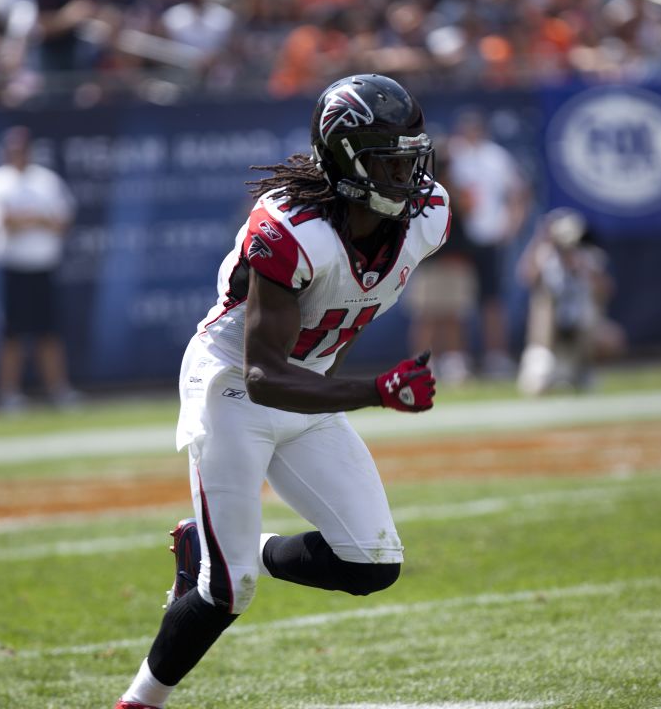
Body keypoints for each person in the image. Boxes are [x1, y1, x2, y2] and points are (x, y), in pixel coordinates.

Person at [114, 74, 448, 709]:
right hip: (235, 386)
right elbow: (264, 373)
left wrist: (347, 384)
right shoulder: (292, 230)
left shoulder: (428, 218)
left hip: (308, 386)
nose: (408, 177)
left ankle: (219, 544)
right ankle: (137, 703)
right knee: (227, 589)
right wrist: (376, 392)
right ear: (349, 162)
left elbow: (350, 305)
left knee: (371, 564)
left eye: (411, 158)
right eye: (388, 160)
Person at [0, 125, 80, 411]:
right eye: (12, 149)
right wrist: (38, 219)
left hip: (43, 266)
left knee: (49, 332)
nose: (17, 153)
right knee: (12, 333)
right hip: (13, 267)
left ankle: (58, 390)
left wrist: (28, 219)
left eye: (22, 148)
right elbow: (2, 222)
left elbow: (61, 222)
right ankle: (8, 394)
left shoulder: (47, 180)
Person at [447, 108, 529, 378]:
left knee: (492, 300)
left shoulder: (496, 157)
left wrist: (511, 227)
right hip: (460, 238)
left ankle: (496, 356)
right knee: (457, 300)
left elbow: (518, 193)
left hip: (490, 236)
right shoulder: (454, 155)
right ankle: (457, 359)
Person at [515, 207, 625, 396]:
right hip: (550, 335)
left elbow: (607, 291)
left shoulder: (590, 258)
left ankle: (583, 369)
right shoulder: (544, 258)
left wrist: (585, 271)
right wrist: (539, 240)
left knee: (611, 339)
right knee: (536, 382)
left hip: (580, 331)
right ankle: (557, 371)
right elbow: (525, 277)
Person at [402, 146, 477, 384]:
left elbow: (469, 210)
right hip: (428, 261)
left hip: (455, 260)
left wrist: (450, 189)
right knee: (426, 316)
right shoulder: (419, 191)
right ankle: (421, 363)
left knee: (453, 315)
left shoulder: (458, 190)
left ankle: (454, 362)